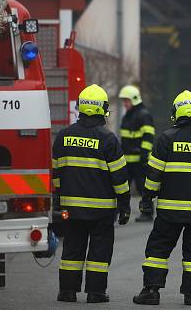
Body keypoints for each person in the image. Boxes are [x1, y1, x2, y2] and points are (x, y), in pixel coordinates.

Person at [132, 90, 191, 306]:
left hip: (169, 211)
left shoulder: (166, 139)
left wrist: (147, 200)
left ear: (177, 112)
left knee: (158, 248)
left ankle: (151, 291)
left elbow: (154, 175)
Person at [52, 84, 131, 304]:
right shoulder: (108, 139)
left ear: (81, 107)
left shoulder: (63, 136)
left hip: (71, 208)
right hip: (102, 210)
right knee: (100, 251)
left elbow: (56, 172)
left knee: (72, 248)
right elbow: (120, 178)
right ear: (102, 109)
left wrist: (58, 200)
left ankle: (67, 291)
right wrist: (124, 205)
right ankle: (96, 293)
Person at [118, 85, 156, 222]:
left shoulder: (143, 115)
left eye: (126, 101)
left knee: (143, 188)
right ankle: (117, 213)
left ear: (134, 99)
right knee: (121, 188)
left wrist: (144, 154)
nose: (124, 104)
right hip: (127, 161)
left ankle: (147, 213)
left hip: (140, 160)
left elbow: (149, 136)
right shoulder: (128, 116)